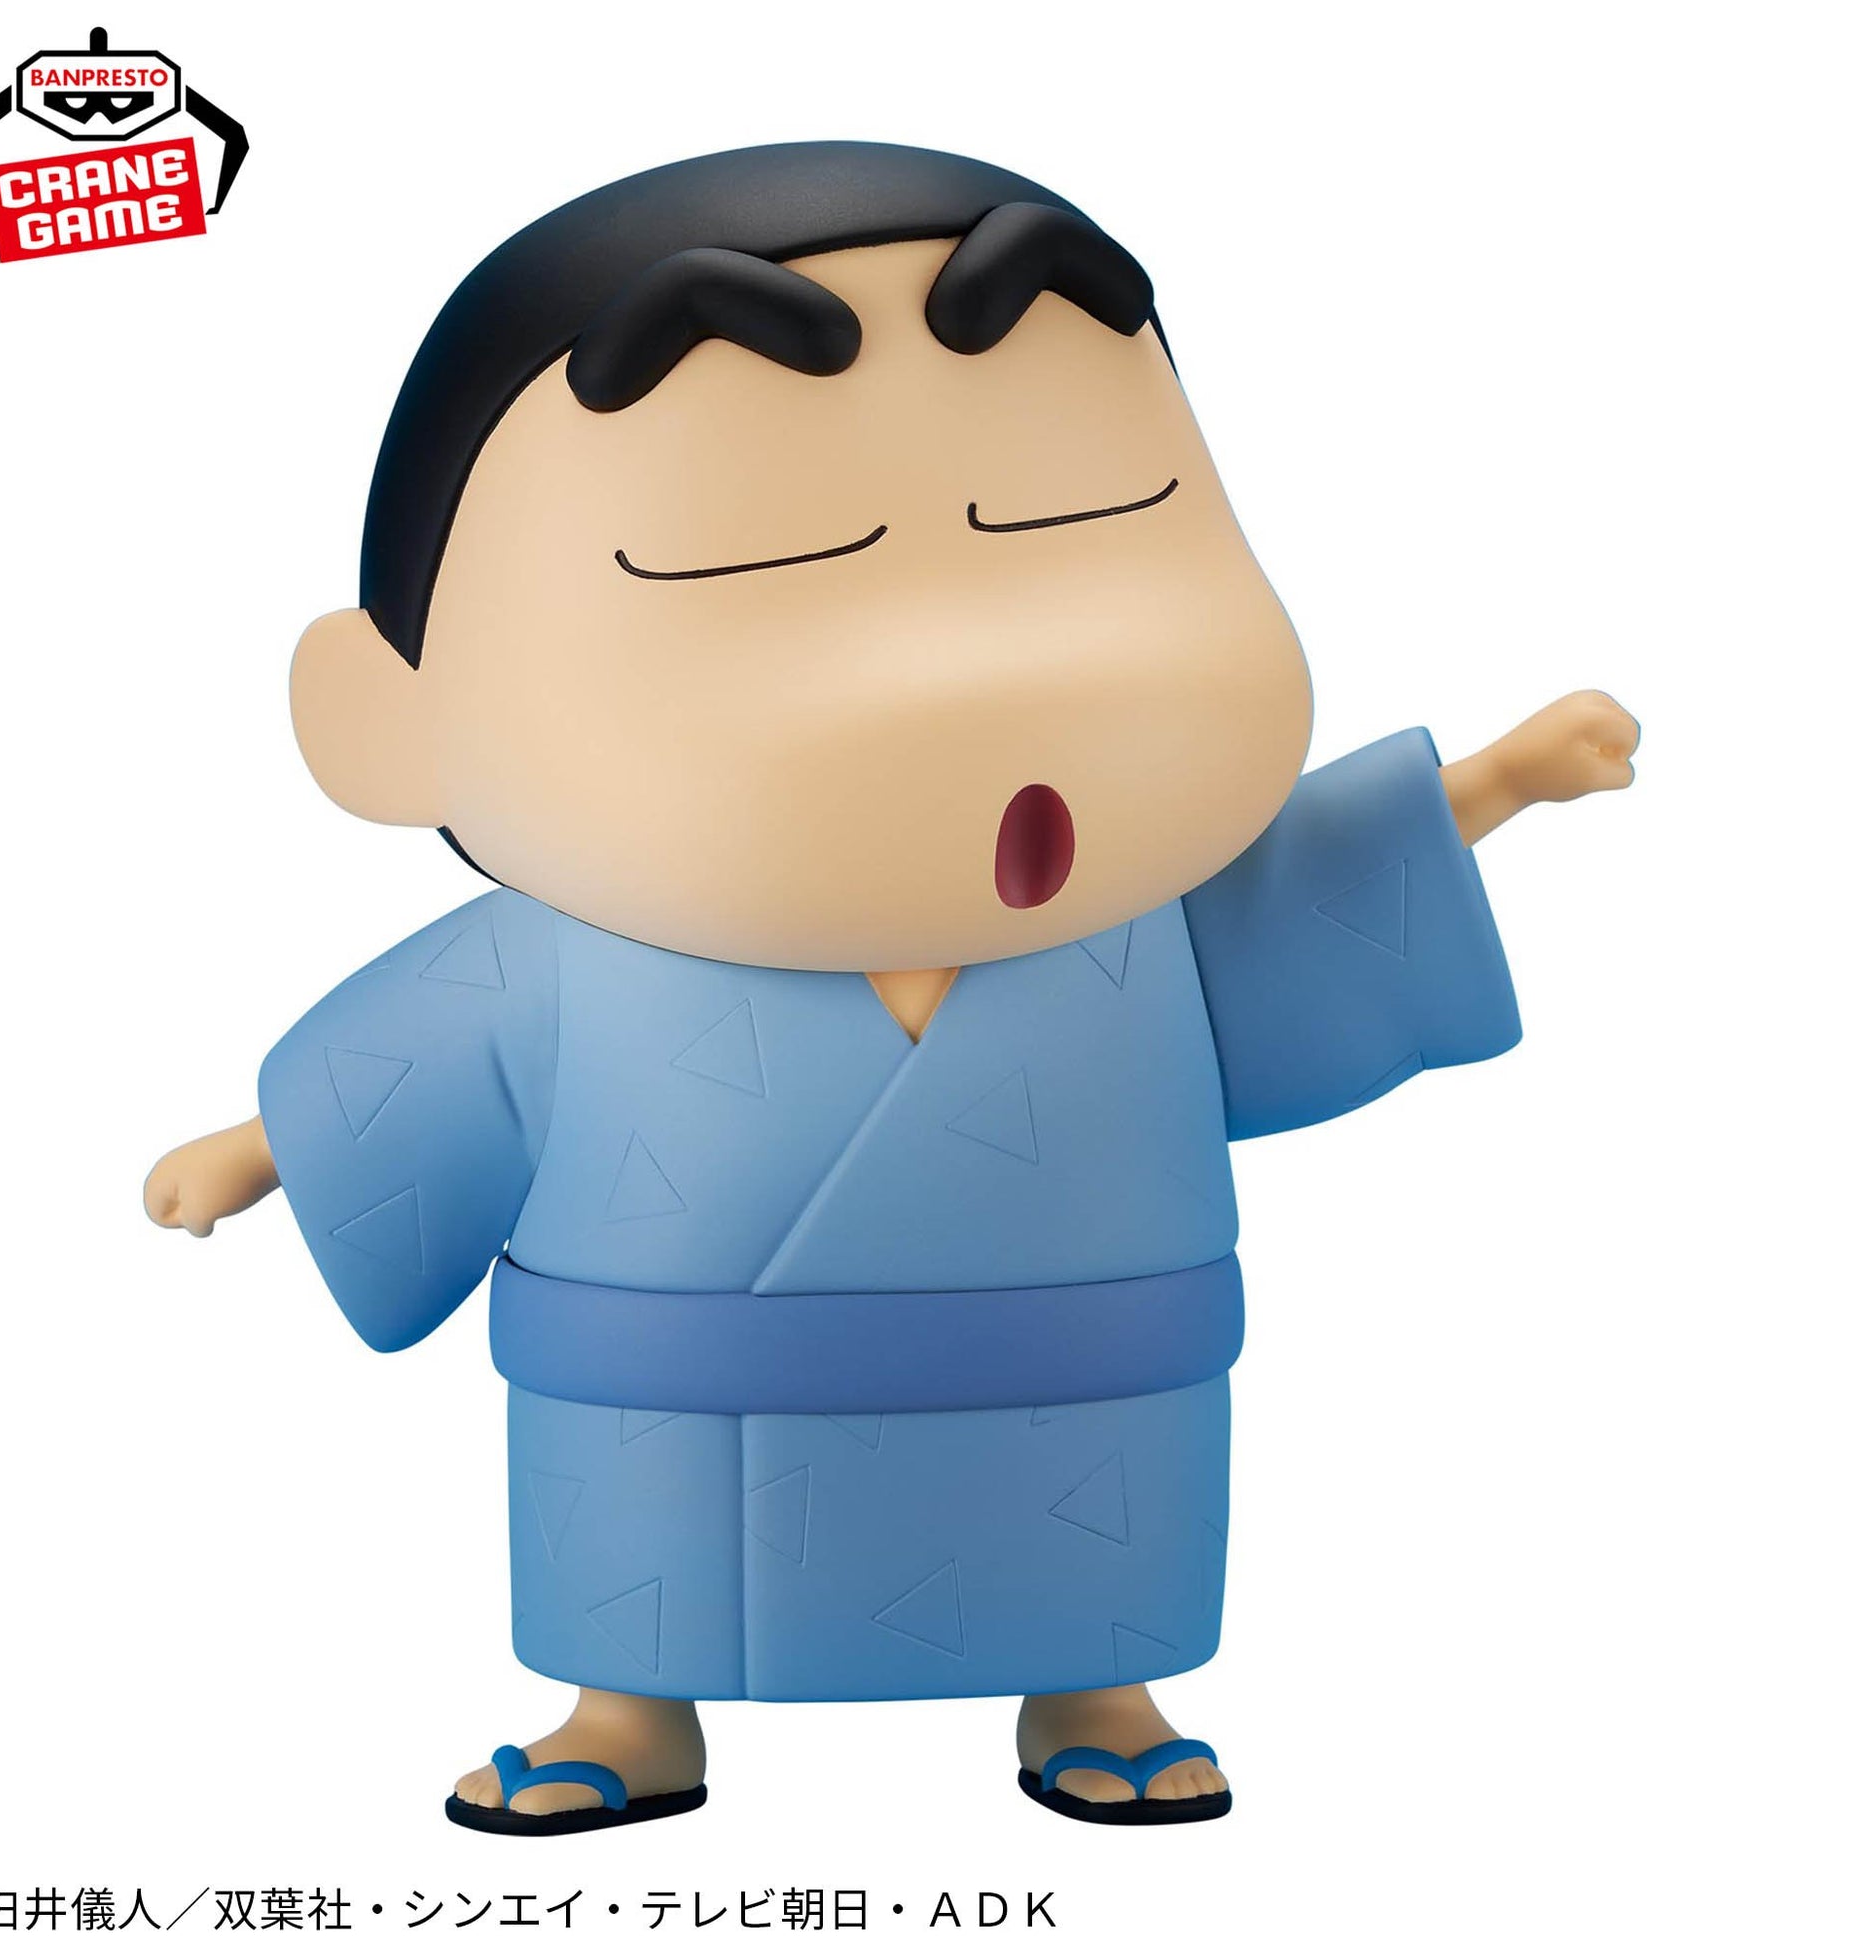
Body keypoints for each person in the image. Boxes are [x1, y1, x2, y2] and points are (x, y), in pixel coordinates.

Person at [145, 141, 1638, 1832]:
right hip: (676, 1395)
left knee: (1090, 1526)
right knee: (650, 1546)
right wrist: (259, 1148)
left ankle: (1093, 1682)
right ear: (389, 718)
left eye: (1078, 520)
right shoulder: (574, 957)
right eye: (743, 568)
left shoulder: (1141, 922)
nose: (957, 678)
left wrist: (1494, 785)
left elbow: (1309, 901)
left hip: (1087, 1366)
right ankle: (629, 1713)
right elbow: (412, 1070)